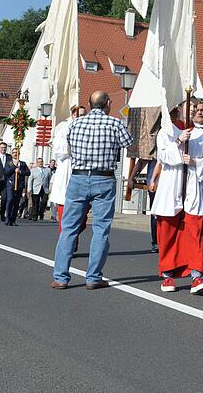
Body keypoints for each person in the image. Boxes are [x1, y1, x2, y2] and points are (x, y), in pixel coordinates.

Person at [51, 91, 133, 290]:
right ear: (107, 103)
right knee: (101, 229)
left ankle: (61, 277)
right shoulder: (114, 124)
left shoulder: (75, 124)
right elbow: (129, 144)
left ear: (89, 104)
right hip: (103, 178)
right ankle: (93, 277)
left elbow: (68, 145)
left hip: (78, 177)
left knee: (69, 228)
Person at [151, 98, 203, 295]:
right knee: (168, 233)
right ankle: (167, 274)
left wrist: (194, 162)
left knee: (194, 231)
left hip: (193, 185)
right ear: (179, 108)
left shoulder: (202, 134)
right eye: (190, 106)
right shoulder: (166, 132)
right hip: (171, 186)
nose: (194, 109)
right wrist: (179, 141)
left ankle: (196, 275)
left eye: (195, 106)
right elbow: (163, 157)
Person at [48, 106, 85, 233]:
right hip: (67, 170)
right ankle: (66, 242)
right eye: (80, 114)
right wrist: (73, 142)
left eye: (84, 114)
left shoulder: (87, 129)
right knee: (65, 213)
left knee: (82, 219)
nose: (82, 117)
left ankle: (73, 238)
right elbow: (60, 151)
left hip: (83, 172)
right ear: (73, 115)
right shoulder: (63, 130)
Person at [4, 152, 30, 225]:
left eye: (17, 153)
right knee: (10, 200)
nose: (15, 154)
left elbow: (28, 172)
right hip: (10, 184)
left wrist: (20, 171)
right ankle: (7, 218)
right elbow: (6, 172)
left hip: (19, 185)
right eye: (14, 153)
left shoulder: (22, 163)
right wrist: (14, 167)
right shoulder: (9, 163)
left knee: (16, 203)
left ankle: (13, 219)